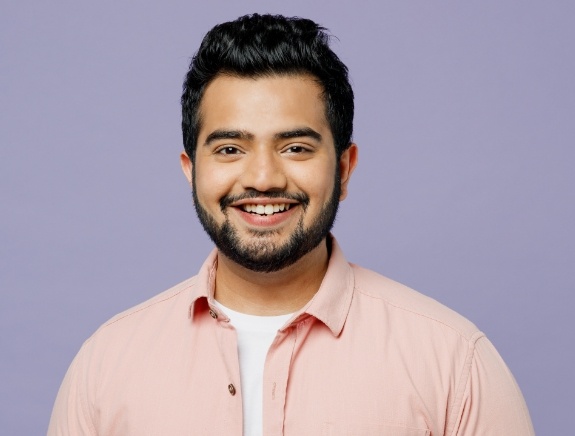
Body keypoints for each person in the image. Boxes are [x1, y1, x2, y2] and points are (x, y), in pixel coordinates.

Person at [48, 13, 534, 436]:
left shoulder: (455, 362)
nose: (262, 178)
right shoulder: (106, 365)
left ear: (344, 168)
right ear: (189, 169)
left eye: (296, 147)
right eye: (230, 149)